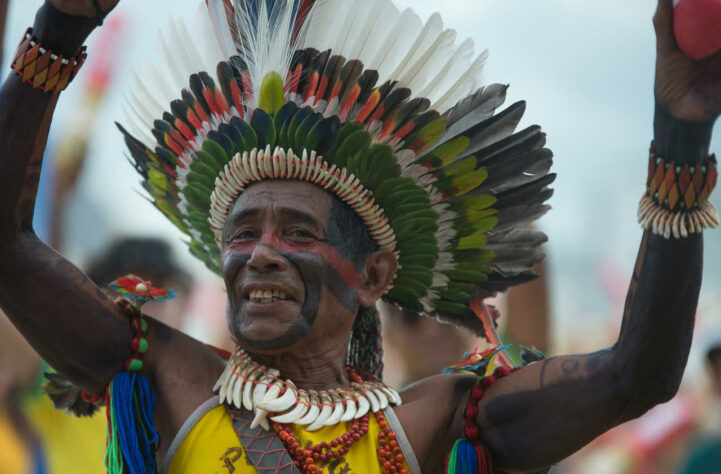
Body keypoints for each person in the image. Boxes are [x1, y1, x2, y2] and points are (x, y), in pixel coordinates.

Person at [0, 1, 718, 473]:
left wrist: (680, 134)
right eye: (243, 231)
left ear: (373, 276)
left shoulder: (433, 422)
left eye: (298, 231)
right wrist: (57, 35)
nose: (262, 251)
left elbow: (638, 375)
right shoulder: (163, 375)